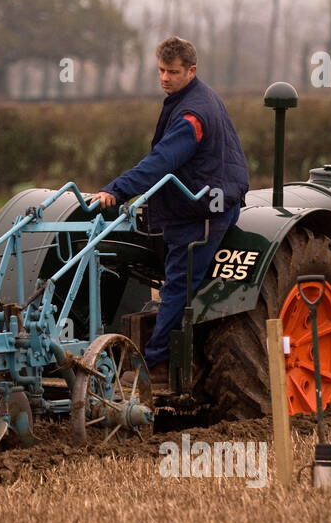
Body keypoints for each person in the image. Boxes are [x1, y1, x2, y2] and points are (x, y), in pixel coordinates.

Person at [96, 37, 249, 385]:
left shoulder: (193, 114)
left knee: (178, 286)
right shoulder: (190, 98)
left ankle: (157, 366)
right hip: (196, 201)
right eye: (161, 70)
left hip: (202, 211)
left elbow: (163, 161)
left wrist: (117, 190)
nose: (165, 78)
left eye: (173, 72)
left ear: (191, 71)